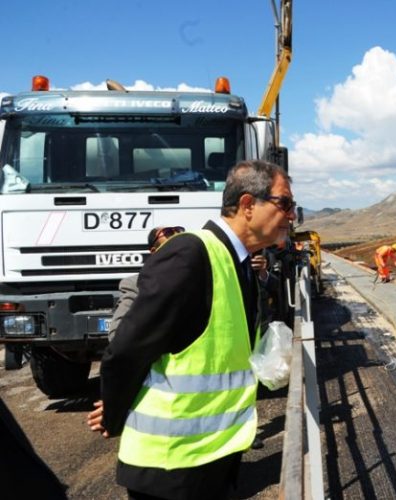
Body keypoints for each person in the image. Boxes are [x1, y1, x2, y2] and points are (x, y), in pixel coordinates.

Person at [87, 160, 296, 500]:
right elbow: (129, 347)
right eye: (284, 203)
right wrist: (113, 410)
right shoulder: (190, 254)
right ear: (247, 205)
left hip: (212, 459)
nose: (291, 215)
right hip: (169, 467)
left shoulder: (239, 263)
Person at [107, 226, 184, 341]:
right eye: (167, 232)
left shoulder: (199, 280)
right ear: (154, 252)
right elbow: (117, 336)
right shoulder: (136, 285)